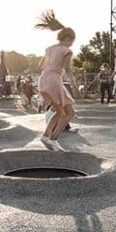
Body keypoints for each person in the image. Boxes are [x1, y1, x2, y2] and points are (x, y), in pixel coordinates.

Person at [35, 10, 81, 152]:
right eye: (71, 41)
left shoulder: (49, 48)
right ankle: (54, 139)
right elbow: (67, 70)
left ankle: (46, 136)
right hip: (54, 80)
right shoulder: (66, 51)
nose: (71, 44)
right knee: (69, 113)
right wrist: (74, 87)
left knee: (59, 111)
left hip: (43, 79)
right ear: (67, 38)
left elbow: (40, 66)